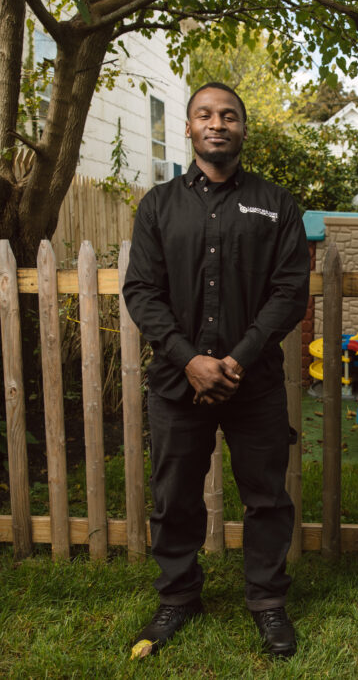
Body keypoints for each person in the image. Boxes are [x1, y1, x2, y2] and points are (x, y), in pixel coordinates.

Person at [123, 82, 310, 658]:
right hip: (177, 383)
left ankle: (267, 601)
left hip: (252, 384)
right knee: (174, 495)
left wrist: (234, 360)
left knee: (266, 497)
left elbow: (288, 293)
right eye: (205, 114)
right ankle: (178, 597)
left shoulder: (278, 205)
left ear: (243, 129)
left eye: (229, 115)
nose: (217, 123)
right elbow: (142, 292)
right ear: (188, 127)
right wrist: (191, 360)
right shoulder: (158, 206)